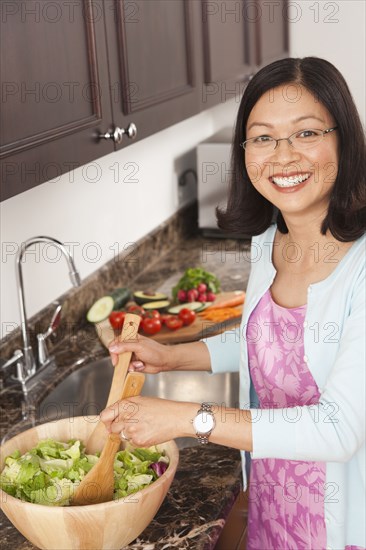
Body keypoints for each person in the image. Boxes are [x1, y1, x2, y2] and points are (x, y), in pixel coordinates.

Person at [100, 57, 366, 550]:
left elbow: (339, 430)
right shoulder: (270, 240)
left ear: (344, 140)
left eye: (306, 133)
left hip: (341, 523)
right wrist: (176, 355)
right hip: (270, 500)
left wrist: (186, 418)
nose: (283, 157)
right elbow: (271, 337)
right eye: (263, 137)